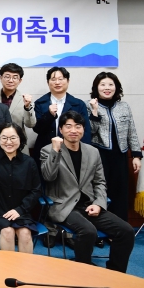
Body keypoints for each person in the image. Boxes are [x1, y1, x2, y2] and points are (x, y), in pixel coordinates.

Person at [41, 111, 134, 273]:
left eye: (78, 126)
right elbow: (48, 177)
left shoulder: (92, 152)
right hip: (64, 206)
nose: (73, 130)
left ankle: (115, 273)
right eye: (68, 126)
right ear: (61, 130)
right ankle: (83, 271)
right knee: (88, 231)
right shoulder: (48, 150)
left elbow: (100, 182)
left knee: (126, 231)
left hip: (89, 205)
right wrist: (56, 151)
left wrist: (99, 204)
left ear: (83, 129)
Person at [0, 123, 41, 254]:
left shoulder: (29, 162)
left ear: (20, 139)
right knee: (7, 231)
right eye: (4, 138)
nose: (8, 142)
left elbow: (36, 190)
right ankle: (8, 267)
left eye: (13, 138)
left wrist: (20, 210)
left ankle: (25, 267)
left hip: (21, 209)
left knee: (25, 233)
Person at [86, 72, 141, 221]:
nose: (107, 88)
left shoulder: (124, 106)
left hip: (120, 155)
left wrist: (136, 155)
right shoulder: (88, 105)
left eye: (111, 84)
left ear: (116, 87)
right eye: (103, 85)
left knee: (120, 193)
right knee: (100, 192)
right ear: (96, 87)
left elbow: (131, 131)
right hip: (99, 156)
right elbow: (90, 132)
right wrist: (95, 111)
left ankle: (119, 227)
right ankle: (101, 226)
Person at [33, 66, 91, 167]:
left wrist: (83, 152)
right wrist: (49, 115)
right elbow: (37, 129)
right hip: (46, 149)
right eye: (53, 79)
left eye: (61, 79)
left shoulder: (78, 104)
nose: (57, 82)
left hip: (72, 150)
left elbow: (85, 131)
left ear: (68, 81)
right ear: (48, 82)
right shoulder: (40, 103)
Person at [0, 63, 36, 138]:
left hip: (17, 141)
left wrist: (27, 107)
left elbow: (30, 125)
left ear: (20, 81)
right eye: (7, 77)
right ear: (1, 78)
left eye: (15, 77)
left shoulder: (25, 99)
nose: (11, 80)